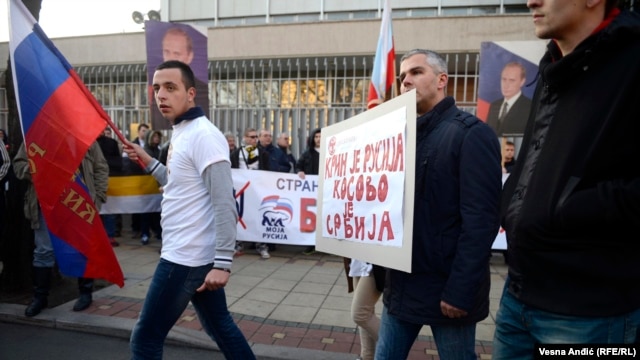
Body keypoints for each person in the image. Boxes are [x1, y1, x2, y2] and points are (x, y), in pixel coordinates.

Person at [493, 2, 640, 358]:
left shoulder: (632, 61)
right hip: (518, 295)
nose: (531, 1)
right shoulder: (551, 69)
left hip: (588, 310)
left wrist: (566, 208)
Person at [375, 49, 501, 360]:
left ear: (441, 79)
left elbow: (481, 222)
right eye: (403, 76)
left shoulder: (472, 134)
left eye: (416, 72)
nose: (405, 81)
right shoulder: (398, 139)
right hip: (401, 288)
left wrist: (460, 291)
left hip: (447, 294)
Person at [124, 60, 255, 359]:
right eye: (157, 88)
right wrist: (148, 160)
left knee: (145, 338)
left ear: (191, 93)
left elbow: (224, 200)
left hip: (184, 258)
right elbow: (178, 184)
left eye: (171, 88)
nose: (161, 95)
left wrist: (223, 262)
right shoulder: (182, 131)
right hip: (192, 254)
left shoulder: (203, 135)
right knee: (220, 326)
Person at [14, 141, 109, 316]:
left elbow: (100, 167)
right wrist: (36, 170)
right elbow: (19, 165)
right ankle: (40, 297)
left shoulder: (84, 136)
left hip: (78, 204)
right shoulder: (36, 133)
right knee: (43, 250)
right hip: (45, 204)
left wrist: (98, 198)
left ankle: (85, 293)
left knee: (82, 249)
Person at [151, 27, 209, 130]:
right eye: (166, 52)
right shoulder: (181, 126)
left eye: (170, 88)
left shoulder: (205, 136)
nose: (160, 95)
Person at [230, 127, 271, 258]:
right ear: (245, 138)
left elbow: (268, 170)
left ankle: (262, 246)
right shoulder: (236, 153)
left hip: (257, 191)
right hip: (242, 191)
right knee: (240, 216)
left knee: (258, 217)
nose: (254, 139)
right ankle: (238, 245)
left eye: (256, 137)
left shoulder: (263, 153)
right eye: (252, 137)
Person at [485, 62, 532, 136]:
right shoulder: (494, 105)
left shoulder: (529, 107)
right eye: (504, 79)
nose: (506, 85)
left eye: (512, 80)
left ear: (522, 82)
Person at [349, 259, 382, 360]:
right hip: (359, 255)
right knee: (366, 314)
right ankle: (367, 357)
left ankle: (395, 348)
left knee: (360, 314)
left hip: (376, 260)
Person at [296, 128, 321, 255]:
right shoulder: (307, 153)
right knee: (310, 217)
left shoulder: (330, 152)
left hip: (324, 191)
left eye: (321, 137)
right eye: (316, 137)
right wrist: (300, 171)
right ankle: (310, 244)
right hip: (310, 191)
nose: (318, 139)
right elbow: (299, 165)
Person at [96, 126, 123, 247]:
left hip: (111, 178)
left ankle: (110, 235)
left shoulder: (111, 143)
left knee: (110, 210)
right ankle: (100, 235)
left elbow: (118, 161)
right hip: (96, 179)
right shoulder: (91, 143)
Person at [140, 130, 164, 245]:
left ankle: (158, 232)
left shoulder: (159, 150)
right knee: (146, 211)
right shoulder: (146, 151)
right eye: (154, 136)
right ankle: (145, 233)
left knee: (158, 211)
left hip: (158, 185)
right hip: (147, 184)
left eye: (158, 136)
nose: (157, 138)